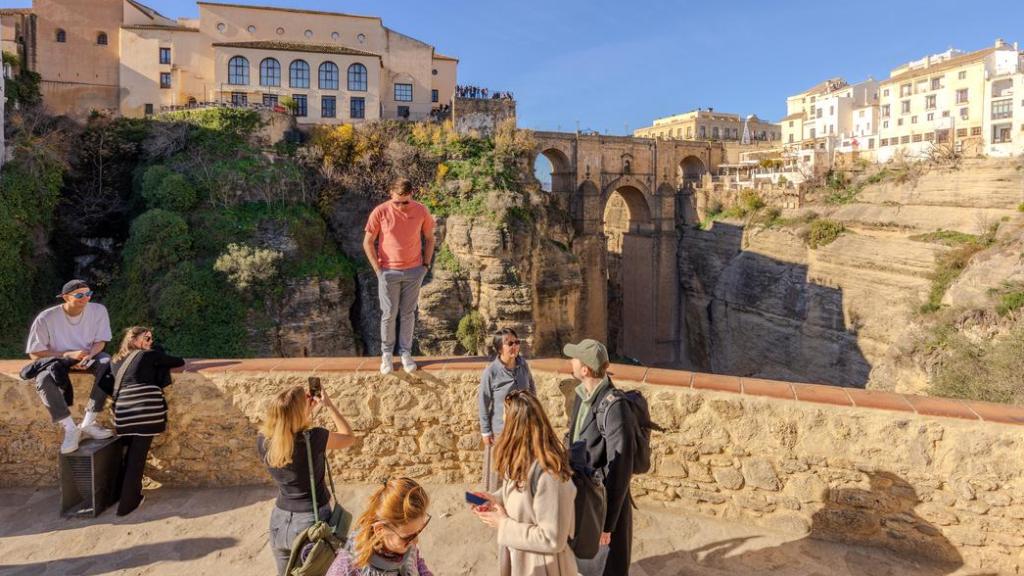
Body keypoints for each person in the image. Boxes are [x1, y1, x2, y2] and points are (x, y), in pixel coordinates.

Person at [472, 390, 577, 576]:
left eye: (505, 419)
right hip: (520, 562)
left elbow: (553, 539)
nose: (502, 424)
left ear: (516, 427)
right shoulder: (521, 460)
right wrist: (494, 499)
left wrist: (503, 524)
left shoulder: (549, 476)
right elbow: (521, 499)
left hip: (544, 569)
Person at [258, 386, 357, 576]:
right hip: (310, 522)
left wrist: (305, 412)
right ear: (298, 413)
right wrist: (328, 405)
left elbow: (289, 432)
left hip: (279, 521)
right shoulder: (314, 437)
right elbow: (349, 437)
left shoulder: (263, 440)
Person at [564, 339, 637, 576]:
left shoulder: (614, 407)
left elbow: (621, 469)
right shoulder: (581, 394)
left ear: (585, 369)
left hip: (604, 503)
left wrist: (608, 524)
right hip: (584, 495)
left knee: (608, 565)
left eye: (575, 358)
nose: (571, 361)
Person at [25, 279, 115, 454]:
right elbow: (35, 354)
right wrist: (67, 355)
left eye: (88, 294)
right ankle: (70, 429)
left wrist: (89, 355)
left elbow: (101, 341)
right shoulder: (46, 318)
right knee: (43, 379)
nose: (85, 298)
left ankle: (88, 423)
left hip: (88, 355)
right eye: (80, 295)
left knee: (108, 365)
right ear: (66, 297)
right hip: (58, 358)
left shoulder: (98, 310)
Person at [363, 177, 436, 375]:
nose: (402, 206)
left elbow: (430, 238)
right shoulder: (380, 211)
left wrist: (425, 266)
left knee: (408, 313)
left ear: (411, 195)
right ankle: (386, 355)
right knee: (389, 314)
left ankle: (405, 353)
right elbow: (368, 242)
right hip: (388, 271)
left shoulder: (421, 210)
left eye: (406, 202)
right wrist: (378, 270)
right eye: (398, 202)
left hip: (414, 271)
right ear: (390, 195)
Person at [109, 326, 184, 516]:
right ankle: (128, 504)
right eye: (147, 338)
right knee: (137, 458)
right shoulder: (148, 356)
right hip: (145, 410)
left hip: (123, 413)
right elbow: (178, 361)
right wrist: (157, 351)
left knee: (127, 456)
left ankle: (116, 495)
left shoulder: (116, 360)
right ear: (133, 340)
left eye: (151, 338)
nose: (150, 342)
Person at [325, 477, 433, 576]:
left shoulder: (405, 543)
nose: (415, 542)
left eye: (419, 531)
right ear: (380, 530)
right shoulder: (346, 568)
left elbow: (416, 560)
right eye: (408, 537)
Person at [478, 328, 536, 490]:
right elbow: (483, 401)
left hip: (524, 427)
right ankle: (495, 505)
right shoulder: (491, 372)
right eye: (509, 343)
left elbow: (531, 390)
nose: (515, 346)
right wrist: (486, 431)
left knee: (522, 468)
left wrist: (535, 415)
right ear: (499, 348)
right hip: (501, 431)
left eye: (517, 342)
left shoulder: (523, 365)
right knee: (498, 473)